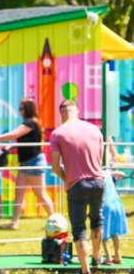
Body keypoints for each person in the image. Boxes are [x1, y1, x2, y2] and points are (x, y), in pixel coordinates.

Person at [50, 99, 105, 274]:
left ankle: (85, 270)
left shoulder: (58, 133)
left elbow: (55, 165)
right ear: (77, 111)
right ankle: (96, 256)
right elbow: (100, 156)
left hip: (77, 184)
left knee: (79, 228)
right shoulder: (94, 129)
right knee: (97, 220)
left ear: (62, 114)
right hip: (98, 181)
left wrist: (67, 178)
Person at [0, 97, 54, 229]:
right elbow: (25, 142)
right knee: (19, 192)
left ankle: (54, 221)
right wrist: (11, 147)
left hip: (34, 162)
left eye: (21, 108)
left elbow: (13, 134)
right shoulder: (30, 124)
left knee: (40, 193)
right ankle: (14, 222)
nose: (20, 111)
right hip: (26, 162)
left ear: (27, 109)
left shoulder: (31, 123)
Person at [100, 167, 127, 265]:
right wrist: (115, 183)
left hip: (106, 204)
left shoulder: (96, 174)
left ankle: (108, 258)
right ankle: (117, 256)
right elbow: (122, 173)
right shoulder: (107, 173)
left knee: (103, 232)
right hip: (116, 203)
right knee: (114, 232)